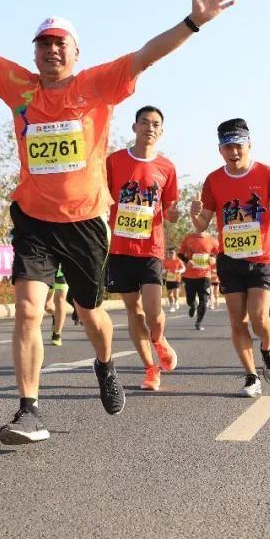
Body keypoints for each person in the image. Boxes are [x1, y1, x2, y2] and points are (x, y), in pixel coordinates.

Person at [0, 0, 235, 444]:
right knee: (28, 310)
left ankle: (105, 365)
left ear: (75, 51)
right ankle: (29, 409)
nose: (50, 52)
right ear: (34, 53)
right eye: (42, 45)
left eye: (59, 44)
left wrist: (194, 20)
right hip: (33, 219)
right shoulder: (19, 86)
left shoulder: (97, 84)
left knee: (92, 313)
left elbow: (148, 54)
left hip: (86, 220)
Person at [191, 118, 270, 398]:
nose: (234, 152)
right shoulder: (213, 180)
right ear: (220, 150)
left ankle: (269, 351)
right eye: (227, 147)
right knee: (238, 321)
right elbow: (202, 225)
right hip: (230, 259)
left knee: (260, 318)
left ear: (249, 144)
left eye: (238, 146)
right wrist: (193, 212)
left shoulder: (269, 174)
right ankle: (250, 377)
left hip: (261, 258)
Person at [104, 106, 180, 392]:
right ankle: (150, 368)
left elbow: (170, 210)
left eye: (156, 124)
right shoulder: (114, 161)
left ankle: (159, 339)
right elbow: (102, 197)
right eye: (145, 122)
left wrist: (175, 215)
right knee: (133, 310)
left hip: (152, 247)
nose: (150, 127)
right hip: (121, 246)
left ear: (161, 132)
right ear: (134, 127)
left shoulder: (167, 167)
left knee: (152, 310)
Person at [178, 227, 218, 330]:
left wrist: (214, 258)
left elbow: (220, 254)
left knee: (204, 300)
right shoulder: (188, 238)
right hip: (190, 275)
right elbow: (180, 254)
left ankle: (199, 322)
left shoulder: (212, 240)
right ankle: (193, 306)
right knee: (190, 299)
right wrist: (187, 261)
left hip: (205, 275)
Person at [47, 267, 68, 346]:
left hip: (61, 268)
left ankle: (57, 333)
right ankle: (56, 316)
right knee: (47, 306)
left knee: (60, 299)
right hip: (47, 267)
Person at [163, 248, 185, 312]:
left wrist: (178, 271)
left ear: (175, 254)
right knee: (169, 294)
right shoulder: (165, 261)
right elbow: (163, 270)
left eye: (172, 253)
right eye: (169, 253)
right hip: (169, 279)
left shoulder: (178, 260)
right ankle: (171, 306)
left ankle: (176, 302)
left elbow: (183, 268)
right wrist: (166, 270)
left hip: (176, 279)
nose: (170, 254)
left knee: (175, 293)